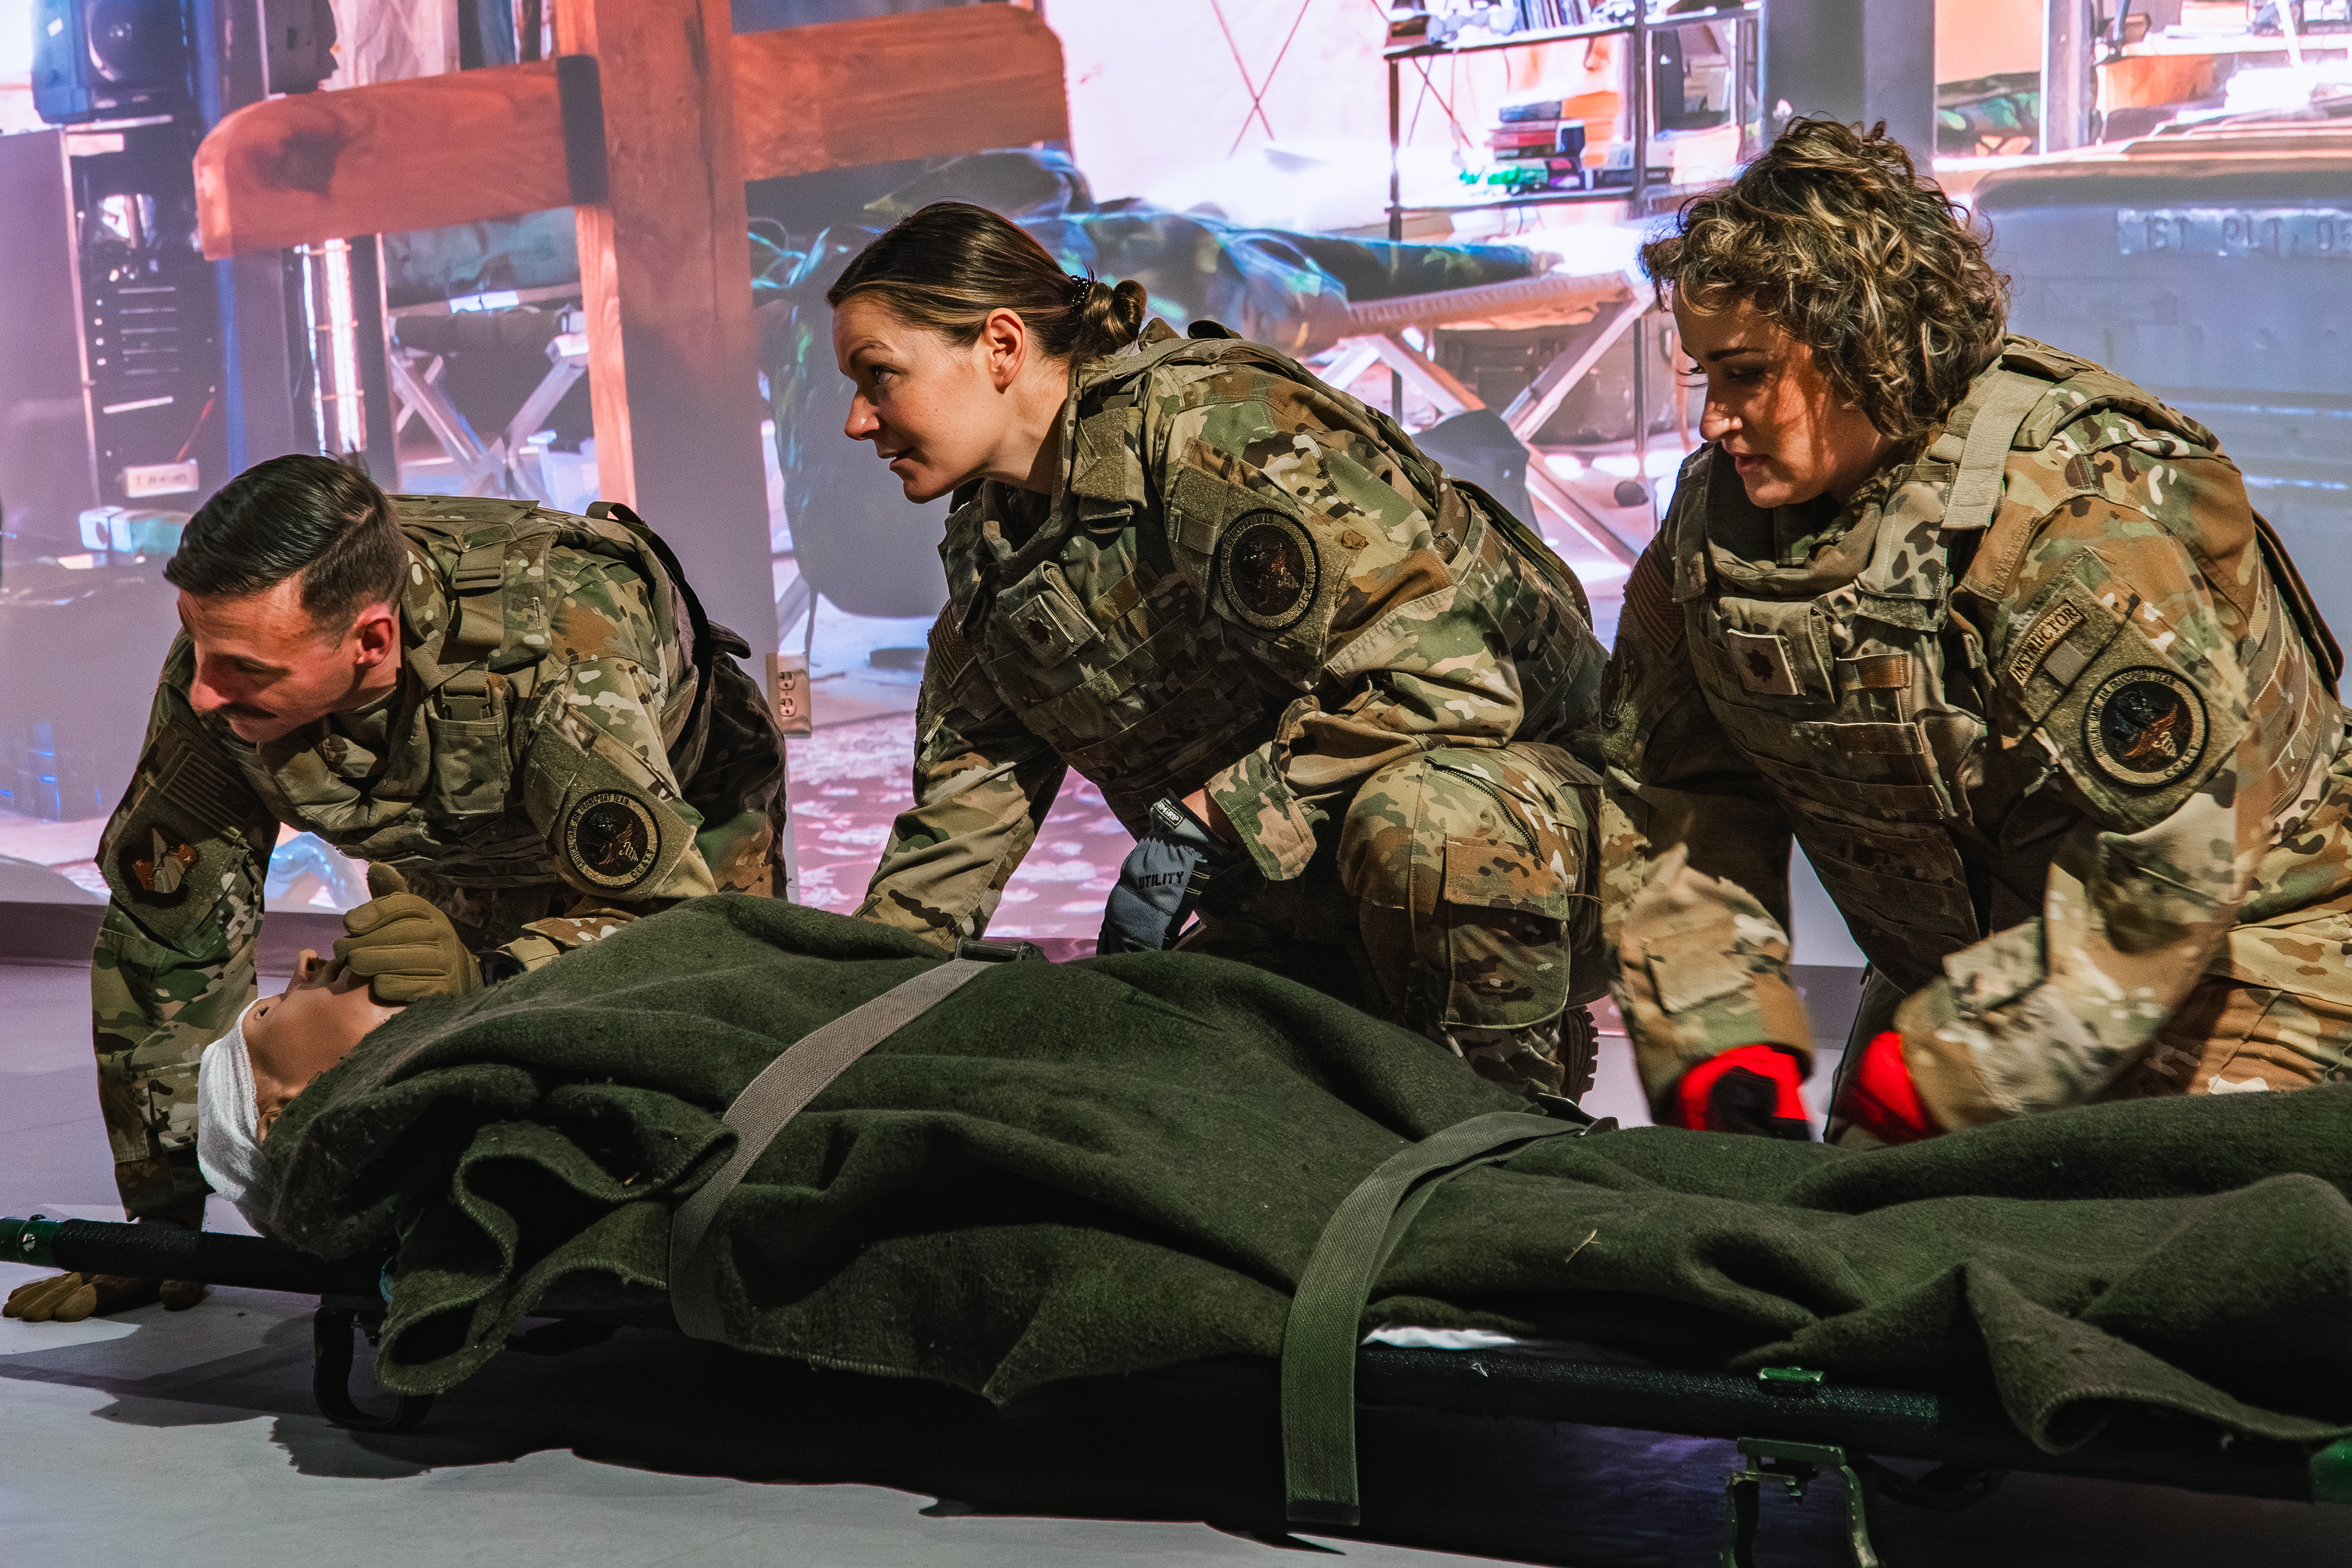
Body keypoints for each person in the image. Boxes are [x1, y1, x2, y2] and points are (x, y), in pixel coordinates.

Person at [1602, 118, 2352, 1144]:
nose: (1712, 420)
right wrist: (1720, 1037)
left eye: (1745, 375)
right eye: (1705, 376)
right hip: (1988, 972)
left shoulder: (2061, 520)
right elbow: (1679, 795)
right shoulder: (1719, 527)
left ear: (1862, 347)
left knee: (2112, 1232)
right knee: (1847, 1219)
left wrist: (1958, 1071)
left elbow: (2176, 854)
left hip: (2244, 961)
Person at [828, 201, 1610, 1098]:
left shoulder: (1219, 432)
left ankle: (1513, 1125)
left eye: (880, 376)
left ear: (1000, 346)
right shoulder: (997, 558)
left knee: (1424, 817)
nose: (858, 421)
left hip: (1544, 851)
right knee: (1152, 1082)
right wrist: (832, 1017)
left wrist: (1206, 820)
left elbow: (1451, 684)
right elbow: (954, 836)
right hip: (1316, 896)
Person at [7, 456, 789, 1321]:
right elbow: (168, 937)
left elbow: (675, 923)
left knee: (715, 1061)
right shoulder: (234, 660)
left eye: (243, 671)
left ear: (372, 641)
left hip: (681, 813)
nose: (201, 692)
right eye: (197, 647)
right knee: (451, 1067)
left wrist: (495, 974)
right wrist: (159, 1226)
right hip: (458, 841)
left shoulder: (560, 647)